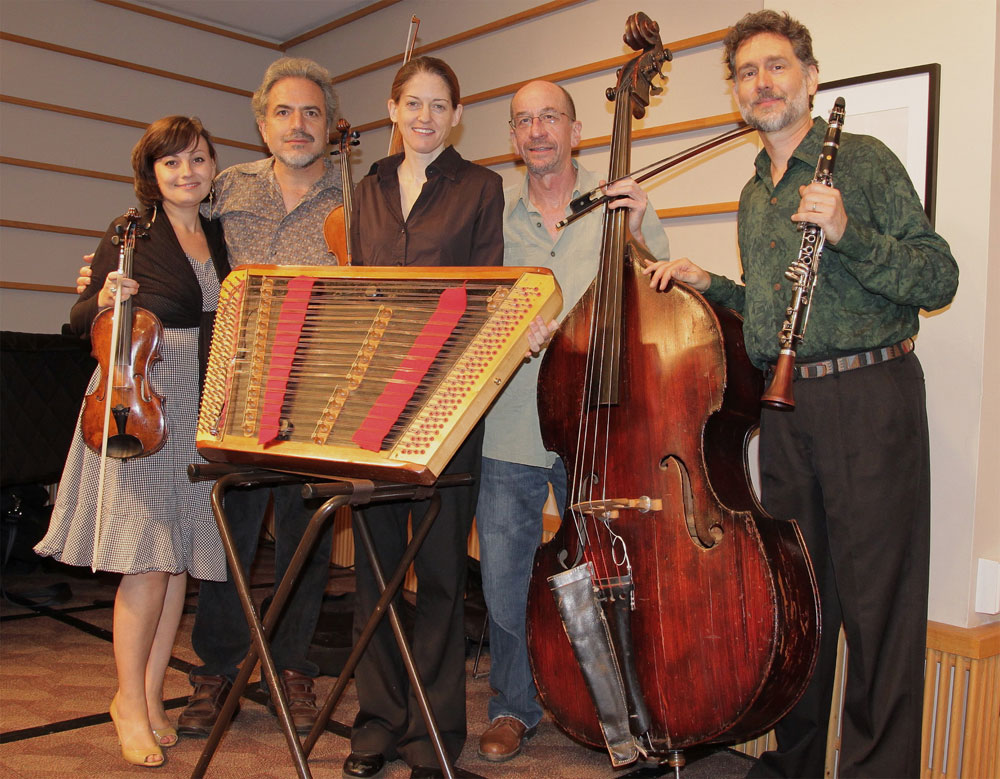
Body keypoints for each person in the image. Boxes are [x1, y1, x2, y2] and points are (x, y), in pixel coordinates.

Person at [644, 11, 958, 778]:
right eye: (748, 72)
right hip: (789, 411)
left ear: (810, 78)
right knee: (801, 601)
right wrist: (708, 283)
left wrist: (850, 229)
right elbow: (771, 309)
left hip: (869, 398)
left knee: (879, 607)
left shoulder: (867, 161)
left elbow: (938, 275)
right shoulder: (756, 194)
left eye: (777, 66)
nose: (763, 82)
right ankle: (794, 763)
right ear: (736, 94)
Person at [75, 57, 344, 737]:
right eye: (283, 112)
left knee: (305, 536)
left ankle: (291, 666)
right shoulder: (226, 190)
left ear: (332, 123)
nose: (297, 124)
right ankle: (217, 667)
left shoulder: (356, 194)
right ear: (261, 123)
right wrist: (101, 278)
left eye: (311, 111)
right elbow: (154, 246)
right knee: (225, 529)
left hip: (311, 385)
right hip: (227, 386)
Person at [475, 79, 670, 763]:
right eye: (523, 120)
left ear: (577, 129)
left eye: (549, 117)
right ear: (512, 137)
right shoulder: (490, 212)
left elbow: (657, 292)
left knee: (612, 573)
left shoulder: (620, 202)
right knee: (503, 575)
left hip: (596, 425)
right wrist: (507, 326)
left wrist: (641, 227)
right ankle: (512, 705)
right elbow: (467, 302)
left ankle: (614, 710)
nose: (536, 131)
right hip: (510, 425)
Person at [36, 115, 230, 767]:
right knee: (146, 561)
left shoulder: (215, 232)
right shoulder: (132, 233)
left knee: (175, 560)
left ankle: (150, 695)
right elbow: (81, 316)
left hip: (197, 401)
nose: (187, 172)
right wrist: (103, 296)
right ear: (151, 172)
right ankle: (125, 697)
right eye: (172, 162)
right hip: (138, 400)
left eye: (198, 160)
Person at [341, 56, 503, 779]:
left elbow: (486, 293)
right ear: (392, 107)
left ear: (456, 115)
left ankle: (431, 736)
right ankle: (374, 725)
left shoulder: (481, 187)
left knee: (439, 573)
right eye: (414, 103)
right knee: (374, 570)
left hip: (448, 405)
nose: (426, 116)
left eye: (440, 105)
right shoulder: (364, 189)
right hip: (372, 406)